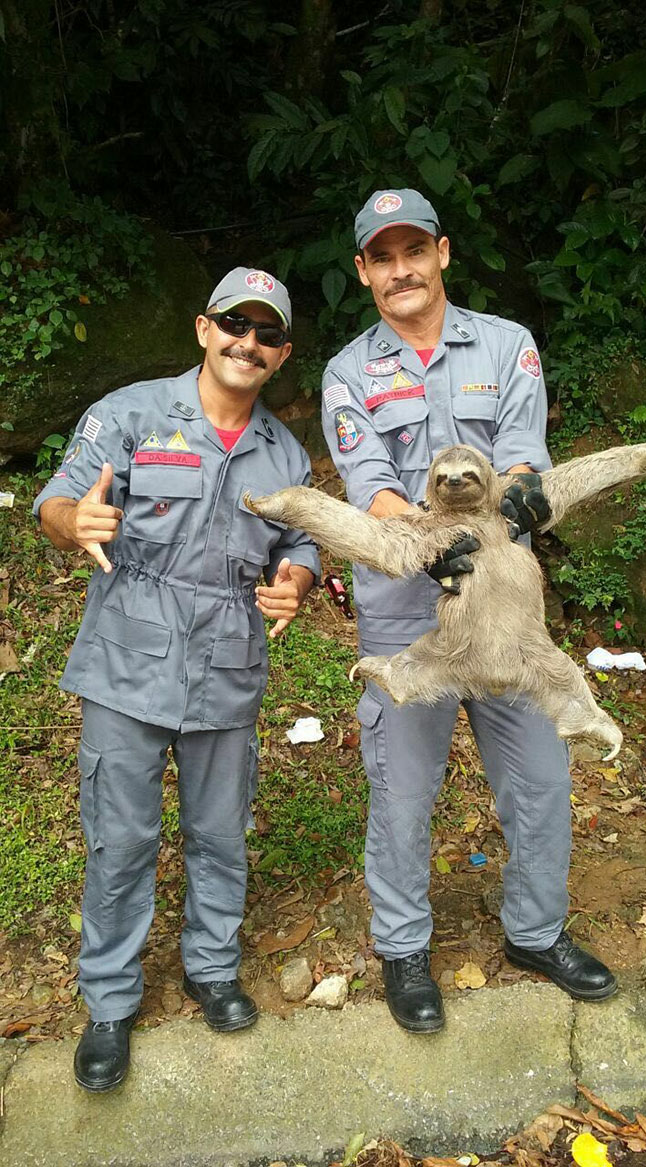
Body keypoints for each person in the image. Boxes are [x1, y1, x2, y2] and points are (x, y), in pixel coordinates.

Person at [320, 189, 617, 1033]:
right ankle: (406, 949)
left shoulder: (506, 345)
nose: (401, 269)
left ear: (442, 254)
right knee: (404, 788)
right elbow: (368, 481)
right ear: (364, 271)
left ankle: (535, 931)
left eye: (415, 250)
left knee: (539, 777)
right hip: (403, 611)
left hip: (505, 616)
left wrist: (516, 505)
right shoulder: (350, 372)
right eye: (384, 256)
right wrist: (421, 538)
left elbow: (524, 459)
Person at [35, 268, 320, 1090]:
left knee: (219, 832)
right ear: (204, 329)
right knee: (121, 839)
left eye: (267, 333)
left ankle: (212, 967)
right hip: (129, 659)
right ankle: (112, 1001)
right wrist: (73, 520)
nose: (249, 342)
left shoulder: (285, 451)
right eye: (236, 323)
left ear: (282, 354)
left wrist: (297, 579)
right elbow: (57, 500)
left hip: (227, 662)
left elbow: (298, 540)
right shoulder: (130, 414)